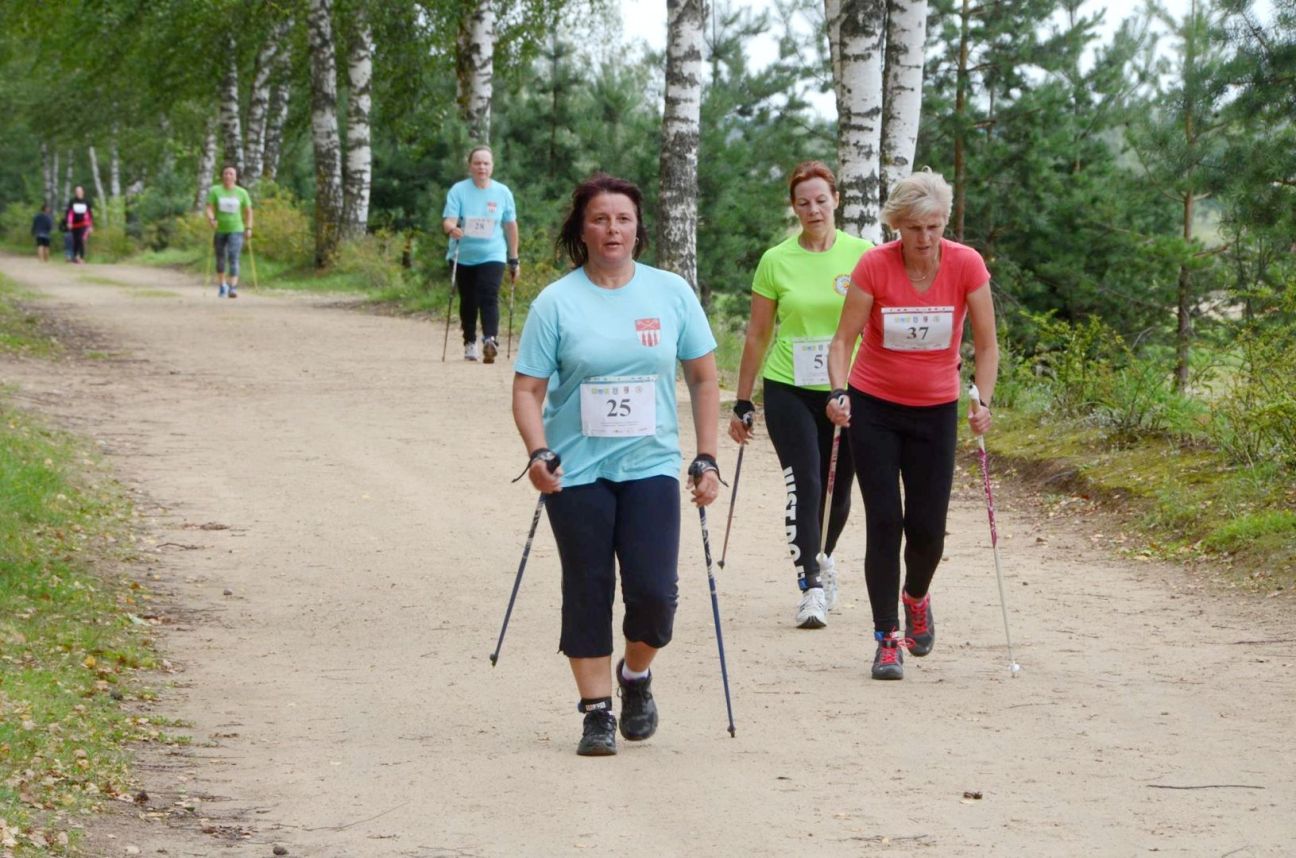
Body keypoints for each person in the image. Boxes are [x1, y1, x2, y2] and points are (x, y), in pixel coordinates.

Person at [512, 173, 720, 756]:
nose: (612, 229)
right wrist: (536, 453)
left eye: (623, 219)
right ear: (582, 228)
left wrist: (706, 457)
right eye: (600, 219)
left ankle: (636, 675)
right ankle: (596, 711)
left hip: (650, 464)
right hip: (576, 470)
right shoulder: (556, 301)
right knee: (588, 585)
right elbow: (527, 391)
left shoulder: (670, 292)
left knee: (654, 595)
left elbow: (703, 378)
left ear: (638, 229)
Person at [825, 168, 998, 680]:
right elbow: (842, 342)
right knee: (884, 523)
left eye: (935, 227)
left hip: (936, 409)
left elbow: (986, 345)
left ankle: (916, 595)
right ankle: (886, 638)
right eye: (915, 228)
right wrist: (839, 392)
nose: (925, 239)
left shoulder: (966, 264)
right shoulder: (874, 266)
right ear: (897, 224)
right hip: (875, 405)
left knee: (927, 530)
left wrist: (983, 400)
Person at [727, 161, 873, 630]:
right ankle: (810, 585)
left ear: (836, 200)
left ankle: (823, 558)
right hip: (789, 386)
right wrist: (743, 401)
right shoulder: (777, 259)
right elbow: (757, 334)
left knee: (839, 489)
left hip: (848, 389)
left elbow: (877, 324)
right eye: (803, 202)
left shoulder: (864, 254)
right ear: (794, 207)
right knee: (806, 483)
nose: (813, 209)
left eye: (821, 199)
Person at [442, 146, 519, 363]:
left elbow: (511, 226)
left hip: (493, 253)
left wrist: (514, 258)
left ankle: (490, 340)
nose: (482, 167)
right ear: (470, 166)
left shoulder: (503, 192)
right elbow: (448, 220)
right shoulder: (459, 190)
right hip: (463, 254)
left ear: (492, 166)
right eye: (477, 163)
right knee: (469, 299)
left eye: (486, 163)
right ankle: (470, 341)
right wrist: (452, 228)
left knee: (489, 294)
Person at [205, 165, 254, 298]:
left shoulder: (242, 192)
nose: (228, 176)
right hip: (220, 229)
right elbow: (209, 208)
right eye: (226, 173)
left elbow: (249, 211)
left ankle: (233, 287)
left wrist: (249, 228)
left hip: (236, 229)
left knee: (233, 256)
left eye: (231, 174)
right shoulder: (216, 190)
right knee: (220, 259)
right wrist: (211, 219)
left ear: (235, 177)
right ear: (222, 176)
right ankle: (222, 286)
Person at [65, 186, 93, 264]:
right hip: (74, 225)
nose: (78, 192)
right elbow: (69, 213)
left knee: (81, 239)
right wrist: (69, 222)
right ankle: (74, 257)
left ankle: (81, 257)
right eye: (77, 191)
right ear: (75, 192)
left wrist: (90, 226)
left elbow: (90, 214)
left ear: (83, 192)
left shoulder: (87, 202)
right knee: (76, 241)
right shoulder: (72, 201)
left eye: (80, 191)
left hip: (84, 224)